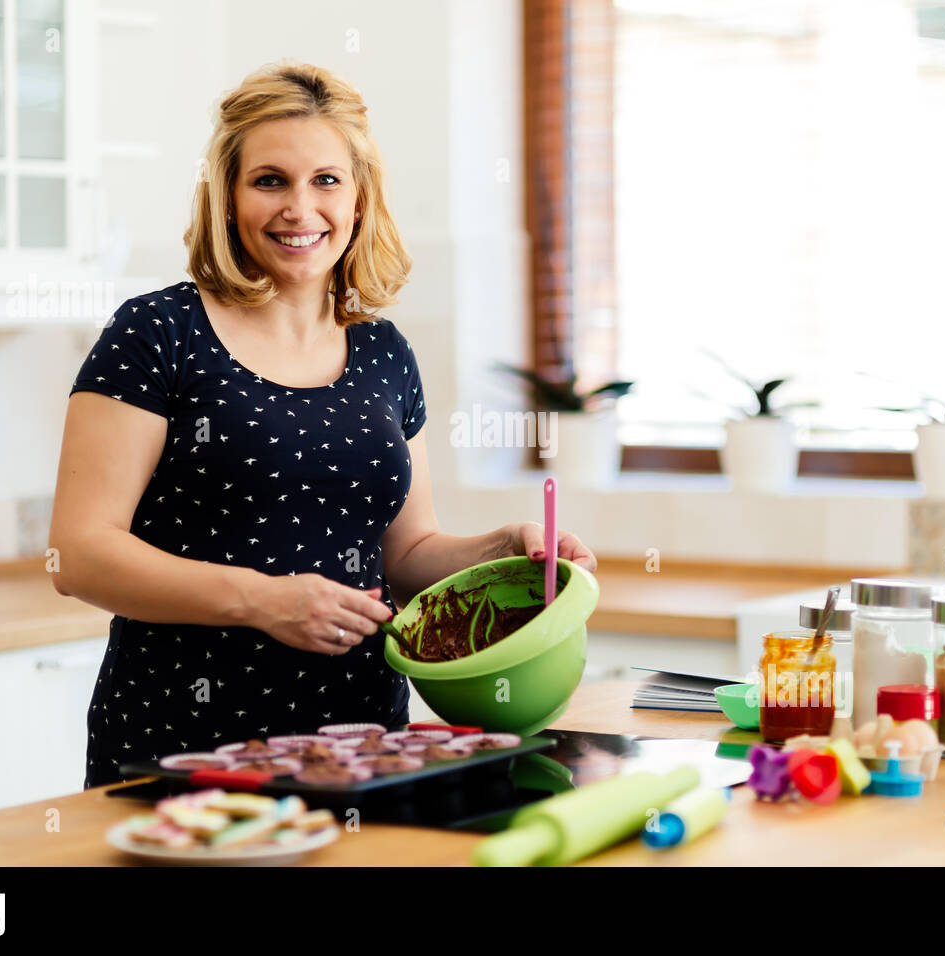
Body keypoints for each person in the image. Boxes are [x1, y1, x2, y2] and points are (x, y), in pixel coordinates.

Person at [48, 60, 598, 787]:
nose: (299, 209)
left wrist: (503, 549)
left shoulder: (383, 351)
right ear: (228, 196)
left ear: (361, 198)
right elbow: (78, 556)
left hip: (362, 744)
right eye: (269, 180)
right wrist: (264, 600)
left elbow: (406, 554)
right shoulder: (159, 332)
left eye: (326, 181)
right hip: (186, 744)